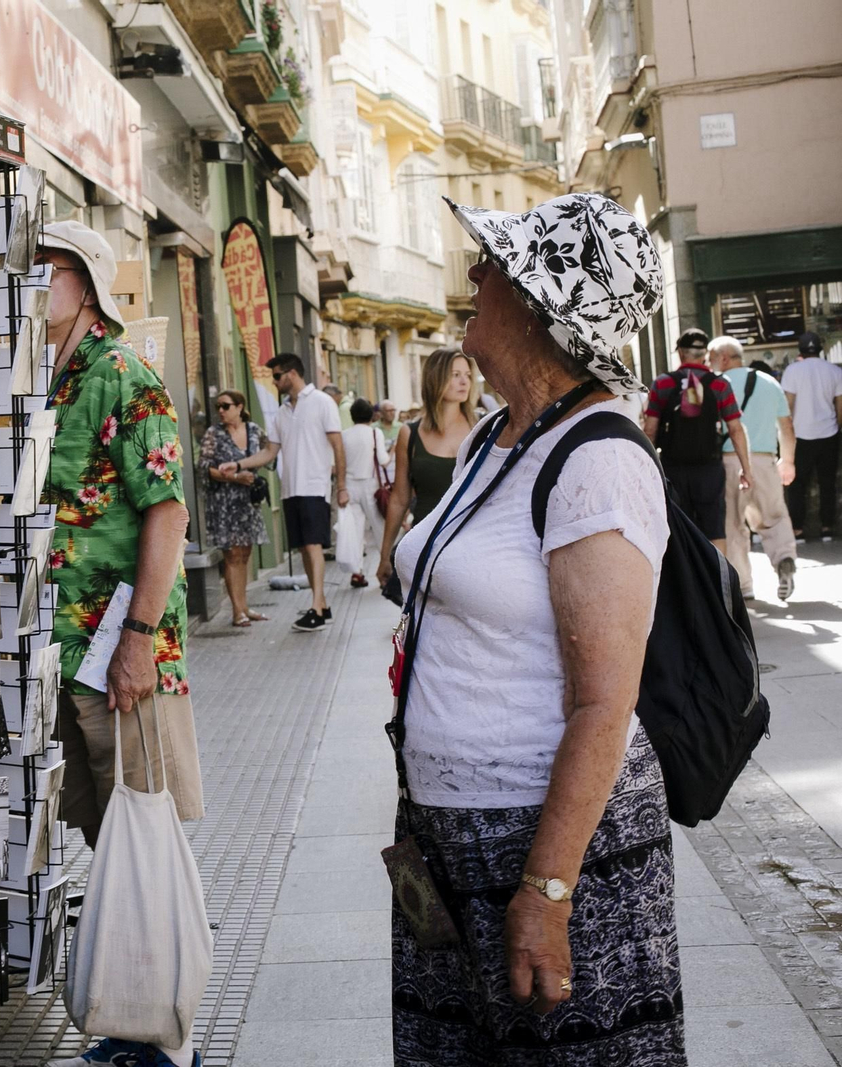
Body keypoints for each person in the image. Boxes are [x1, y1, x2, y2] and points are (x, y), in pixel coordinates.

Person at [389, 191, 682, 1065]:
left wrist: (547, 892)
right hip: (445, 839)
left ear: (541, 308)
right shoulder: (494, 436)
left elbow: (604, 701)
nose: (475, 273)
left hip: (544, 850)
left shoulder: (598, 460)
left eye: (496, 265)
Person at [36, 221, 205, 1067]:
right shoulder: (48, 381)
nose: (32, 283)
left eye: (46, 270)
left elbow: (167, 510)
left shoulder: (125, 376)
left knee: (144, 826)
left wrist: (139, 637)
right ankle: (132, 1018)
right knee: (110, 834)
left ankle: (168, 1037)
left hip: (121, 653)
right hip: (65, 654)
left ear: (84, 284)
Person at [220, 353, 345, 632]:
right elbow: (269, 452)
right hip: (290, 489)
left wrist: (343, 487)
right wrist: (238, 463)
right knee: (304, 547)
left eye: (277, 376)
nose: (274, 382)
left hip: (315, 486)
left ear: (291, 374)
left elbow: (338, 445)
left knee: (313, 546)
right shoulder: (282, 412)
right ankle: (321, 606)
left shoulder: (322, 402)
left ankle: (315, 606)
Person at [375, 348, 479, 590]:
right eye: (455, 374)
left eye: (467, 374)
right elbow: (400, 498)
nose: (464, 381)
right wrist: (384, 555)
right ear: (436, 378)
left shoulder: (483, 427)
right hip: (426, 544)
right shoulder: (409, 433)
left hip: (473, 545)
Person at [643, 328, 753, 553]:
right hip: (709, 468)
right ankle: (717, 585)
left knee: (677, 528)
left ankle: (686, 586)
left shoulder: (663, 383)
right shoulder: (720, 384)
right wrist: (746, 469)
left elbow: (650, 430)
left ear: (681, 354)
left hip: (673, 468)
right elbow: (735, 429)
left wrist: (645, 469)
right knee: (714, 529)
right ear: (704, 354)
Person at [708, 335, 798, 600]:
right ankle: (784, 559)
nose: (709, 362)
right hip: (765, 460)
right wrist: (788, 460)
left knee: (733, 525)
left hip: (728, 460)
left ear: (723, 358)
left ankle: (744, 586)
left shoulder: (716, 385)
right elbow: (787, 428)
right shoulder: (770, 383)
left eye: (711, 357)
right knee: (774, 515)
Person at [199, 390, 271, 626]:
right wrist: (234, 478)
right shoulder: (214, 433)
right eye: (218, 406)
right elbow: (205, 468)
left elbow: (270, 455)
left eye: (225, 406)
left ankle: (244, 606)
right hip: (223, 503)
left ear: (240, 407)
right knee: (231, 555)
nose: (220, 410)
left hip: (247, 503)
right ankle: (236, 610)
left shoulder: (254, 430)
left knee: (244, 553)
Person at [781, 331, 842, 541]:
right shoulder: (834, 371)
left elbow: (788, 404)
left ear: (800, 350)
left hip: (800, 435)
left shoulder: (792, 371)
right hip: (829, 433)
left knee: (797, 485)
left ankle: (797, 529)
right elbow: (840, 405)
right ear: (820, 349)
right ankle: (827, 527)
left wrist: (785, 432)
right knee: (827, 482)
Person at [341, 398, 389, 588]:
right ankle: (386, 569)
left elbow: (337, 465)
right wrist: (393, 452)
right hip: (371, 485)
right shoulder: (375, 433)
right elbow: (383, 461)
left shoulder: (344, 435)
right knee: (380, 529)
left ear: (352, 416)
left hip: (350, 486)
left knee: (355, 532)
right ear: (371, 415)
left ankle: (356, 573)